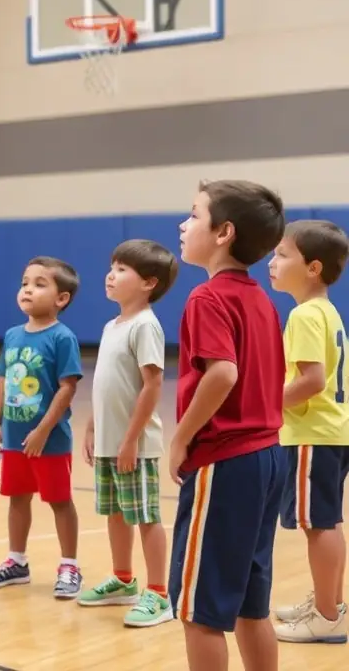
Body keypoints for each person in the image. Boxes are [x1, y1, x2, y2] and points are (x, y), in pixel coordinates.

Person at [168, 180, 287, 671]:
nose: (183, 223)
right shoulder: (260, 298)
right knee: (249, 608)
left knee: (201, 614)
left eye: (194, 214)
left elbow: (222, 373)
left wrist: (179, 438)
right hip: (267, 458)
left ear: (224, 232)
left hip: (225, 462)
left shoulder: (207, 298)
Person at [78, 239, 178, 627]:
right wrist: (90, 425)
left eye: (122, 269)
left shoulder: (145, 326)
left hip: (134, 444)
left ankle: (158, 593)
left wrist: (131, 439)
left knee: (146, 516)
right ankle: (123, 579)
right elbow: (106, 383)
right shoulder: (111, 326)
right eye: (112, 266)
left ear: (149, 283)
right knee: (116, 513)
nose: (110, 274)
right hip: (110, 440)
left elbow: (152, 385)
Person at [0, 256, 85, 599]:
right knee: (17, 498)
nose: (28, 289)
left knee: (59, 500)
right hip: (13, 437)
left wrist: (42, 430)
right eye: (25, 282)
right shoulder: (12, 335)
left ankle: (69, 565)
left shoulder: (62, 337)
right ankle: (17, 562)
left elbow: (68, 387)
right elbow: (2, 377)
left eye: (40, 284)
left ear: (61, 298)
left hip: (49, 439)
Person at [267, 219, 349, 643]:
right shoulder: (327, 311)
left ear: (313, 267)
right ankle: (328, 602)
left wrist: (265, 401)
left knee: (319, 525)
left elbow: (312, 381)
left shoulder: (303, 316)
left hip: (312, 433)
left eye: (282, 254)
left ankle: (327, 614)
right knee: (328, 522)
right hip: (332, 432)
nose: (271, 261)